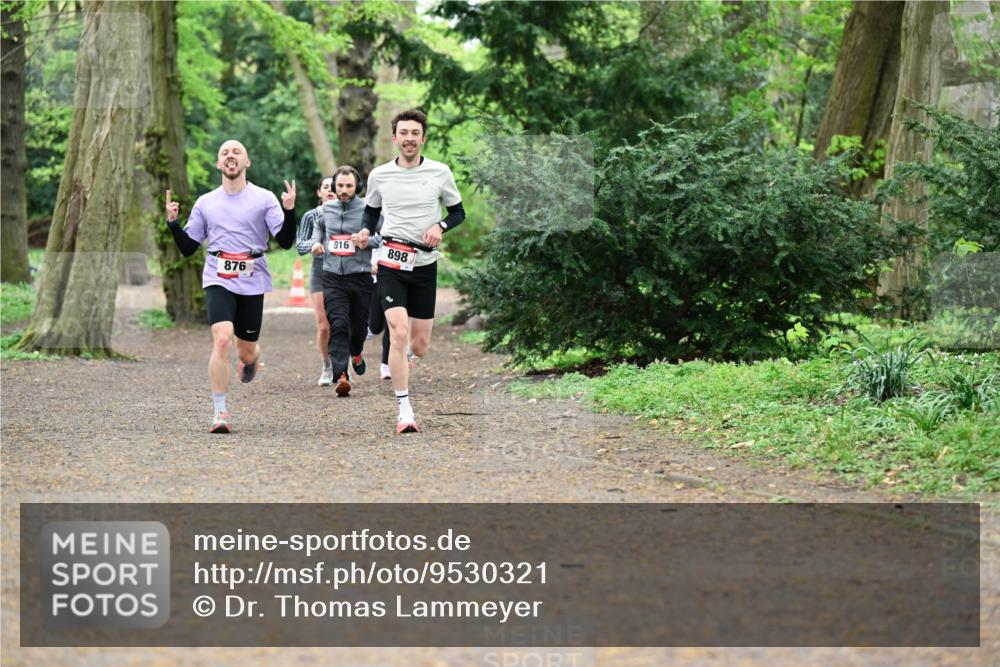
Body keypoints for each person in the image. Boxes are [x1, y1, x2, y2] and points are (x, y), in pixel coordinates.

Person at [165, 139, 297, 433]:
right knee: (222, 338)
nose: (230, 156)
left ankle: (251, 359)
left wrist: (289, 211)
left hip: (252, 277)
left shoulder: (263, 198)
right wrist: (173, 224)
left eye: (237, 151)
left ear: (246, 162)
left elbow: (285, 241)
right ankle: (219, 411)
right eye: (224, 152)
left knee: (246, 351)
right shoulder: (206, 202)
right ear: (219, 164)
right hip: (218, 275)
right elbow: (188, 248)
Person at [358, 109, 465, 433]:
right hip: (391, 262)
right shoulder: (380, 175)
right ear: (394, 138)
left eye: (414, 133)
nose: (409, 138)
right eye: (403, 133)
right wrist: (365, 233)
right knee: (398, 332)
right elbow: (370, 213)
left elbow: (458, 212)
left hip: (424, 266)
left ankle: (404, 358)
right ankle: (404, 410)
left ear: (423, 137)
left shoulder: (439, 172)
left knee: (418, 345)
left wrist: (441, 225)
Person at [310, 165, 377, 397]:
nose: (345, 190)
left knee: (358, 328)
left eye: (349, 186)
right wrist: (316, 244)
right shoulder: (326, 209)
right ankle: (341, 375)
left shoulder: (368, 209)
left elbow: (383, 236)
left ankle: (356, 352)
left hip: (360, 276)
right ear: (335, 187)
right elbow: (318, 229)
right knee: (338, 324)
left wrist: (366, 241)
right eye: (340, 186)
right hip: (332, 276)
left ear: (357, 186)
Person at [296, 175, 336, 386]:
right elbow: (299, 244)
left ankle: (342, 365)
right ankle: (327, 365)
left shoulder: (348, 215)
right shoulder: (311, 216)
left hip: (345, 272)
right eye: (325, 187)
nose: (330, 190)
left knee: (343, 322)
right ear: (319, 192)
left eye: (333, 187)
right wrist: (313, 245)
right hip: (320, 270)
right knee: (323, 326)